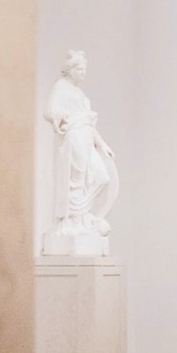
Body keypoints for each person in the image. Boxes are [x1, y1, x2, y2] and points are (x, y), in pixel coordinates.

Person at [42, 50, 118, 247]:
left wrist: (102, 144)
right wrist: (59, 117)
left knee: (100, 176)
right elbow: (49, 110)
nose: (83, 72)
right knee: (75, 180)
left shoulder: (81, 94)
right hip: (73, 138)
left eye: (85, 69)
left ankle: (83, 217)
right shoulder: (61, 87)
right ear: (70, 69)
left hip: (85, 136)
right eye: (79, 68)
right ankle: (74, 220)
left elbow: (89, 124)